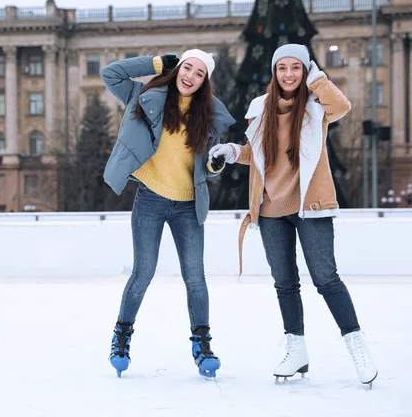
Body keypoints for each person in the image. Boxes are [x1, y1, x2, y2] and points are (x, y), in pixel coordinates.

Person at [209, 44, 378, 386]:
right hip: (271, 209)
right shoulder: (261, 109)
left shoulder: (317, 107)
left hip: (311, 207)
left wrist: (317, 78)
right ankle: (296, 350)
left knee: (326, 279)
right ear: (275, 73)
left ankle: (357, 346)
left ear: (305, 71)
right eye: (282, 68)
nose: (288, 74)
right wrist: (230, 151)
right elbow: (256, 155)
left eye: (296, 68)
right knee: (285, 283)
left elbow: (342, 105)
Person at [100, 50, 235, 378]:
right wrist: (156, 64)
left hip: (189, 204)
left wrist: (215, 165)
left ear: (205, 82)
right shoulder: (143, 95)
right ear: (178, 69)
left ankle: (201, 346)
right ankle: (121, 336)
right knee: (143, 273)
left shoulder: (209, 115)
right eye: (187, 67)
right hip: (150, 199)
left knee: (195, 277)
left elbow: (206, 165)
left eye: (199, 73)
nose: (190, 76)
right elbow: (111, 74)